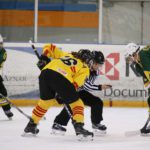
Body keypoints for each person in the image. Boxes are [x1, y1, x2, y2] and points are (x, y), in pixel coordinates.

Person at [23, 43, 101, 139]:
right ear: (88, 60)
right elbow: (75, 85)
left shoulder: (67, 55)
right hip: (62, 77)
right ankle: (79, 127)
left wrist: (44, 57)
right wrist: (63, 94)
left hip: (45, 73)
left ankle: (31, 126)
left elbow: (50, 46)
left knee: (45, 102)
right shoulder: (85, 69)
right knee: (77, 103)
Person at [51, 51, 112, 136]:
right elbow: (87, 86)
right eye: (97, 64)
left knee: (97, 102)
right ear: (92, 62)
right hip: (69, 89)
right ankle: (57, 124)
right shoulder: (83, 67)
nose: (99, 67)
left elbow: (85, 86)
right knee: (73, 106)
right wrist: (100, 87)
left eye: (100, 65)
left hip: (79, 90)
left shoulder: (96, 71)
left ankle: (96, 124)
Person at [125, 43, 150, 134]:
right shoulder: (138, 65)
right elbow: (147, 82)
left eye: (130, 57)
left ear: (134, 53)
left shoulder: (143, 55)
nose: (130, 60)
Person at [0, 34, 13, 120]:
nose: (1, 45)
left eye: (1, 43)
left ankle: (7, 109)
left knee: (3, 93)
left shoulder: (3, 52)